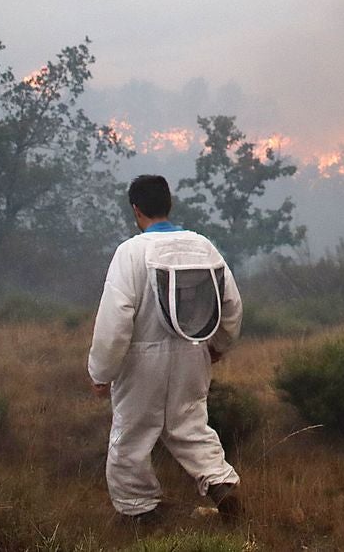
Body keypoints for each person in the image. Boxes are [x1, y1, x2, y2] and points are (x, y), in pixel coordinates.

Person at [88, 174, 243, 520]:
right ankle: (221, 484)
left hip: (141, 360)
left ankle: (141, 511)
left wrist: (101, 372)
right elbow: (231, 305)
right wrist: (218, 346)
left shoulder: (129, 253)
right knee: (190, 425)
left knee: (131, 434)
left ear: (135, 210)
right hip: (194, 354)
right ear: (169, 204)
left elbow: (115, 321)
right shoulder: (204, 246)